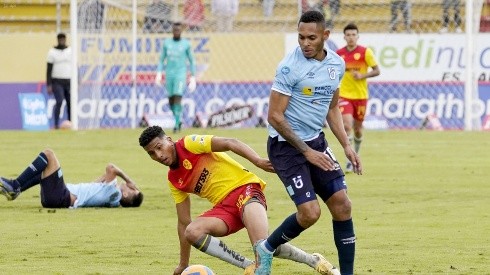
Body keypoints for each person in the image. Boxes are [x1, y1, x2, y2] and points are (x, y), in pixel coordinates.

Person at [138, 126, 340, 275]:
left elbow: (230, 143)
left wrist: (258, 161)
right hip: (225, 209)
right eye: (151, 154)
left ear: (169, 140)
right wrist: (183, 264)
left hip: (247, 190)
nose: (158, 155)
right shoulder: (174, 180)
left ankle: (313, 260)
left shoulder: (189, 144)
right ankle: (247, 266)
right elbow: (183, 222)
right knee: (193, 231)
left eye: (159, 147)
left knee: (263, 247)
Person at [254, 10, 361, 275]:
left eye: (311, 38)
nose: (305, 43)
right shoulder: (290, 67)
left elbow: (332, 108)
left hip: (316, 141)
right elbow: (275, 116)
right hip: (286, 147)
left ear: (325, 35)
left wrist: (346, 145)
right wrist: (307, 152)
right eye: (301, 37)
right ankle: (267, 247)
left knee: (342, 205)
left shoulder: (336, 65)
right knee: (310, 213)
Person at [0, 149, 143, 208]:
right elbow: (103, 179)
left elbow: (111, 168)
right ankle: (15, 189)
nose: (130, 185)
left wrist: (128, 179)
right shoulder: (109, 195)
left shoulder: (115, 193)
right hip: (57, 198)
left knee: (48, 154)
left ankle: (15, 185)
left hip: (61, 197)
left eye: (132, 189)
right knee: (44, 170)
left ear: (125, 194)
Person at [336, 23, 380, 173]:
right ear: (344, 37)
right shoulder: (338, 54)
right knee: (347, 125)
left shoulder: (365, 52)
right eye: (348, 35)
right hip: (344, 95)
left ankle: (357, 152)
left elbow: (377, 70)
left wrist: (362, 75)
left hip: (361, 96)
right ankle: (350, 159)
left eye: (353, 35)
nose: (351, 37)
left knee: (358, 129)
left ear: (357, 36)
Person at [155, 22, 197, 133]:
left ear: (181, 31)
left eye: (178, 30)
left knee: (178, 97)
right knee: (171, 100)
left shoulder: (186, 44)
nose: (176, 32)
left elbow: (192, 61)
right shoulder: (167, 43)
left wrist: (193, 77)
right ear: (172, 31)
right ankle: (178, 120)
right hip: (169, 74)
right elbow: (161, 60)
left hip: (180, 74)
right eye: (175, 30)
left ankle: (177, 124)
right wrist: (159, 73)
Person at [46, 33, 72, 129]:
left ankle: (71, 123)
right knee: (59, 101)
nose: (62, 41)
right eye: (60, 39)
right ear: (57, 40)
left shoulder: (70, 51)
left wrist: (78, 79)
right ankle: (56, 124)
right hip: (57, 81)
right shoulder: (52, 52)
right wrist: (48, 84)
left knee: (70, 103)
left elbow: (75, 66)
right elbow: (49, 69)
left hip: (69, 80)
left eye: (63, 39)